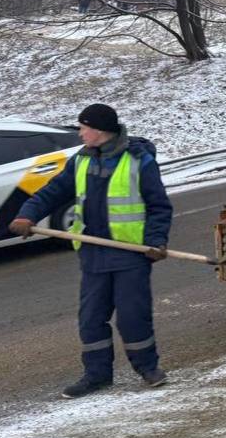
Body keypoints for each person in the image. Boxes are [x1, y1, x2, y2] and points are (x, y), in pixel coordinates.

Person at [10, 104, 173, 398]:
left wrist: (156, 240)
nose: (81, 132)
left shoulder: (139, 161)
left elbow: (159, 206)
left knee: (133, 316)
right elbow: (52, 191)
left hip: (131, 253)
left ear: (99, 131)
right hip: (93, 253)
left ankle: (148, 368)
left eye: (83, 127)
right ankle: (96, 375)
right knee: (90, 318)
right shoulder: (81, 161)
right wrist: (27, 215)